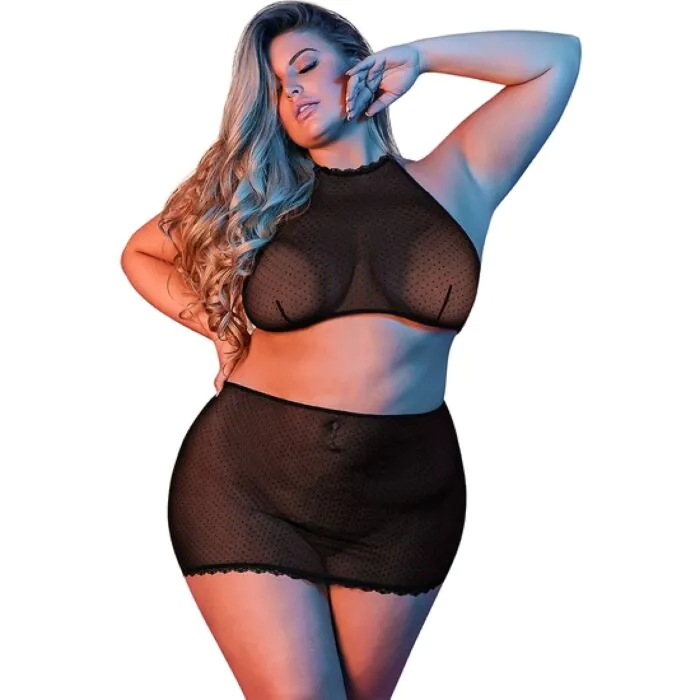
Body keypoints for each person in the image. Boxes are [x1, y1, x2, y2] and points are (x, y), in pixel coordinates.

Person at [120, 2, 581, 697]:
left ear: (358, 61)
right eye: (278, 88)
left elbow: (557, 58)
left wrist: (421, 56)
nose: (295, 91)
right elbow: (141, 253)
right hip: (250, 488)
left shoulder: (458, 177)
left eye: (306, 66)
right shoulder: (259, 196)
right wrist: (222, 330)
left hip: (405, 502)